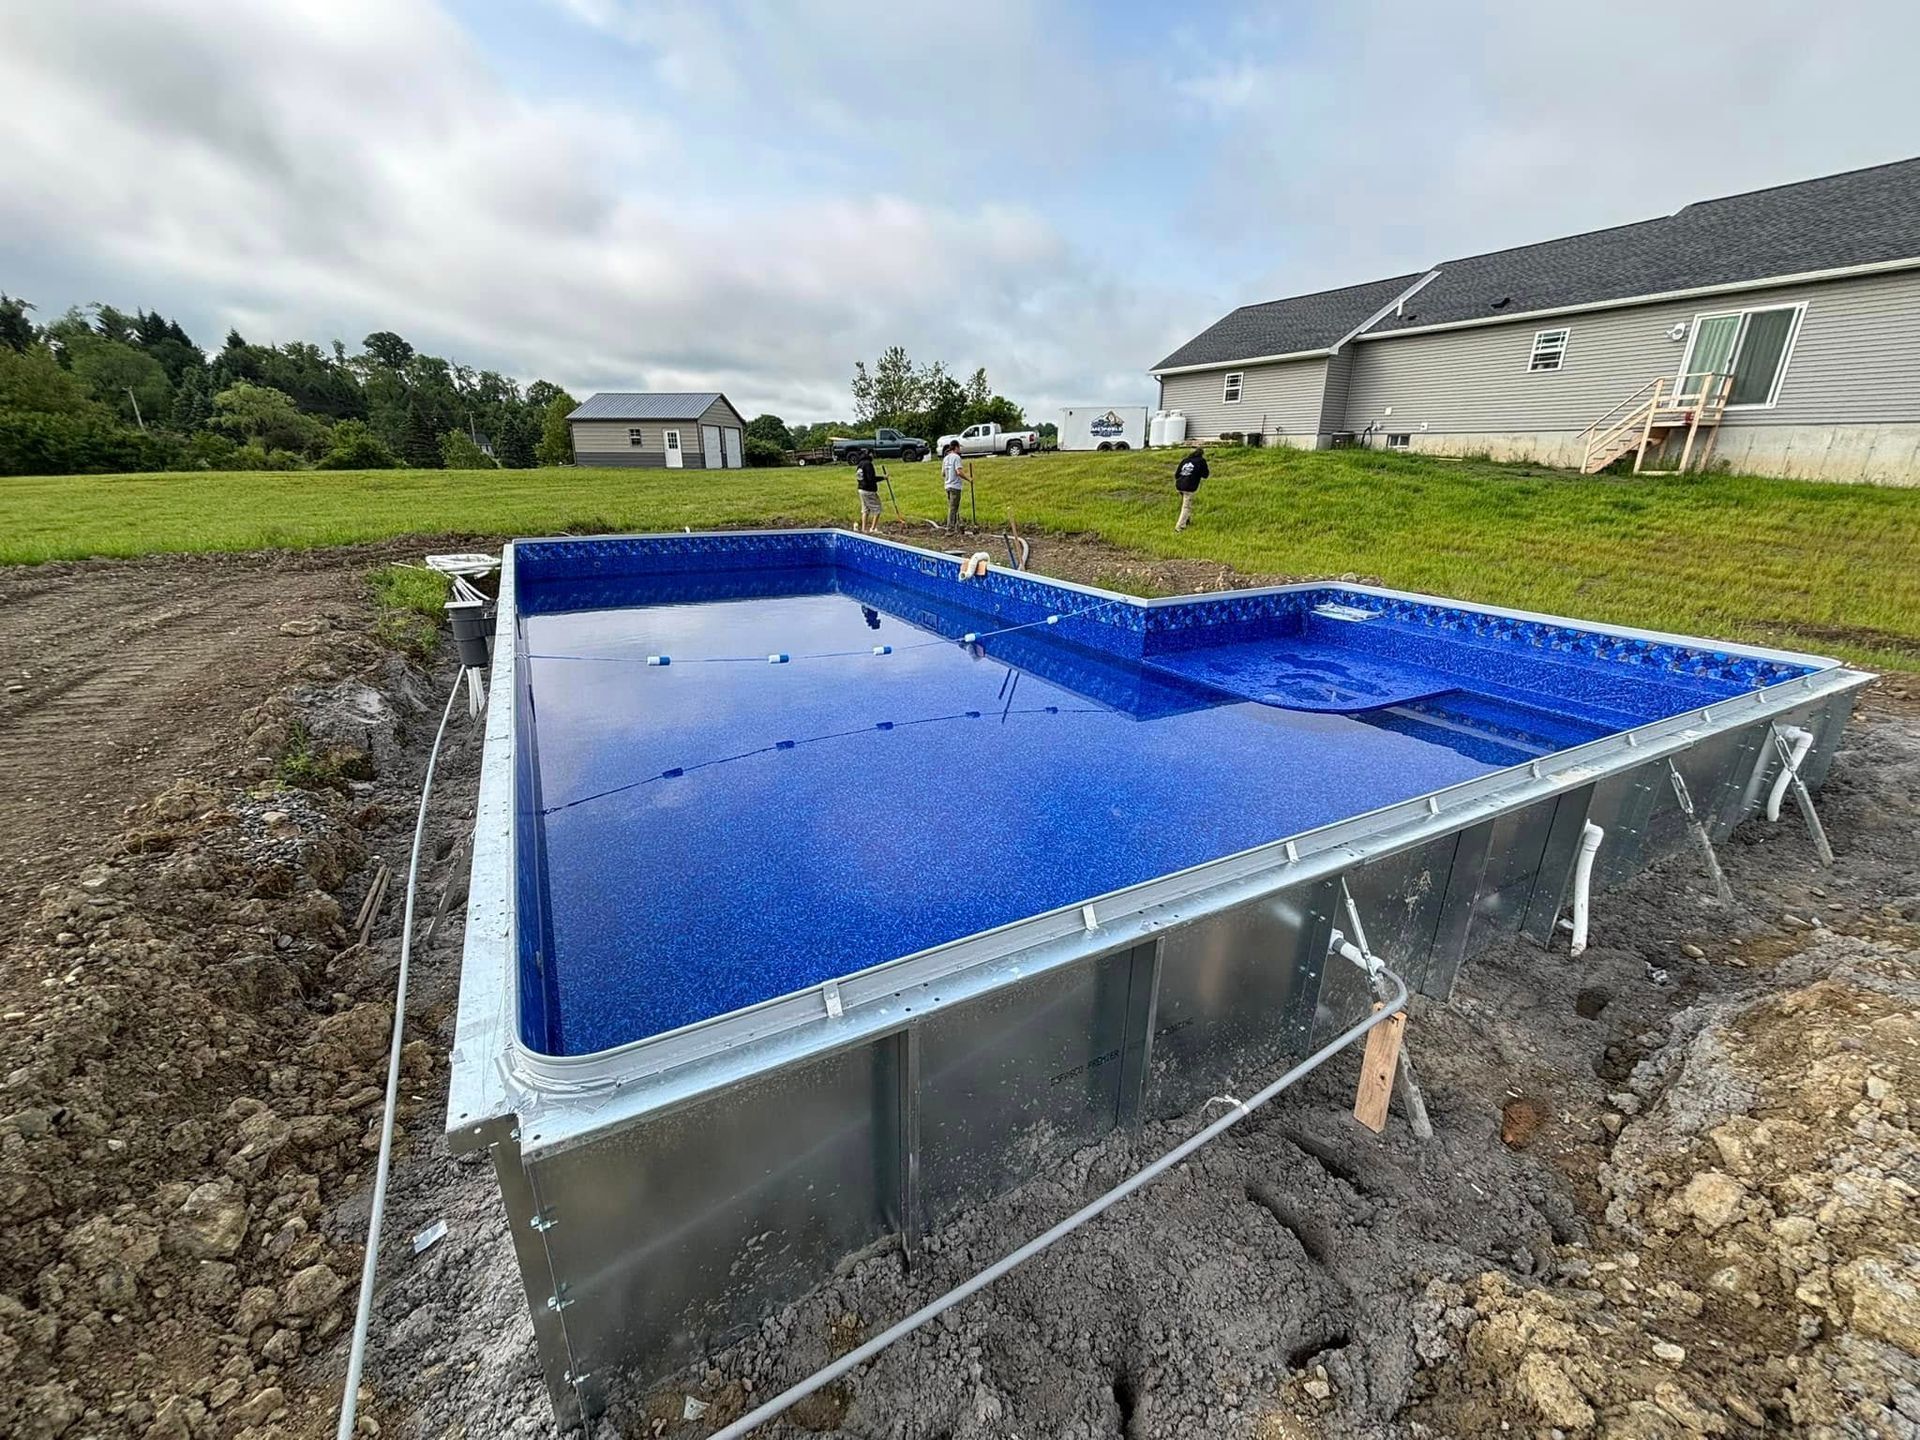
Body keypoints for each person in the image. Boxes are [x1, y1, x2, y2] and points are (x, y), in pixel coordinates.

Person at [1174, 445, 1208, 530]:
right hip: (1189, 486)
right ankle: (1179, 527)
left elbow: (1177, 474)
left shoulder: (1185, 460)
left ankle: (1187, 520)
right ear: (1201, 454)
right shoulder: (1201, 461)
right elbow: (1205, 475)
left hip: (1179, 484)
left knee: (1186, 503)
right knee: (1186, 506)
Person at [941, 439, 969, 529]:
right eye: (959, 447)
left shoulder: (946, 458)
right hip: (955, 486)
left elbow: (943, 473)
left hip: (947, 485)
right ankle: (950, 528)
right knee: (953, 508)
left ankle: (957, 525)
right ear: (956, 447)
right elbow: (959, 472)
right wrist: (969, 479)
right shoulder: (956, 457)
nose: (959, 449)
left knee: (954, 506)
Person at [855, 454, 884, 533]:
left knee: (865, 509)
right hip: (868, 490)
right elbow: (871, 478)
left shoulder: (860, 464)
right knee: (877, 508)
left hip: (861, 489)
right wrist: (883, 478)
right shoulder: (868, 464)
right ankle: (873, 529)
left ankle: (864, 529)